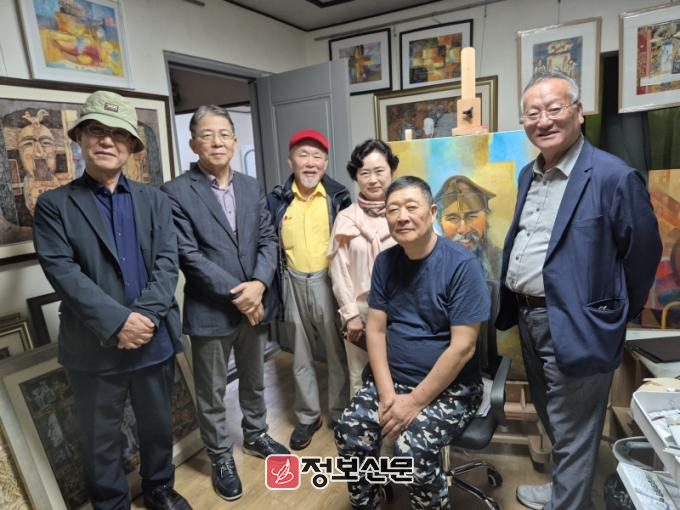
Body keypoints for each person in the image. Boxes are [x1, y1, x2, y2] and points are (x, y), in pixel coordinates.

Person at [496, 70, 662, 510]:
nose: (543, 120)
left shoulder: (613, 176)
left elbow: (643, 255)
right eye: (533, 113)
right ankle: (567, 493)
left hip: (580, 322)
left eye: (554, 109)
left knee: (573, 428)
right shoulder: (528, 175)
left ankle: (568, 502)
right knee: (554, 417)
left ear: (579, 112)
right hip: (530, 316)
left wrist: (611, 315)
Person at [32, 90, 190, 510]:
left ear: (131, 146)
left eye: (118, 134)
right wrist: (119, 322)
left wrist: (145, 318)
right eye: (96, 131)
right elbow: (63, 273)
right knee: (100, 438)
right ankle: (111, 503)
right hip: (93, 347)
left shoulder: (155, 200)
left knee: (157, 426)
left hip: (153, 340)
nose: (107, 140)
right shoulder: (54, 205)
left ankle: (159, 487)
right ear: (80, 139)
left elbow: (167, 263)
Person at [335, 176, 490, 510]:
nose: (402, 216)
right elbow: (376, 331)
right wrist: (388, 395)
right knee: (348, 429)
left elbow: (463, 347)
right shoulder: (386, 262)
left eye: (411, 207)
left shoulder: (461, 266)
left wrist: (414, 402)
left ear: (432, 213)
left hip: (451, 390)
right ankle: (366, 502)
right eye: (393, 209)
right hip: (393, 381)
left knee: (412, 450)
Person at [161, 105, 288, 502]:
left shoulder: (251, 186)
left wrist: (259, 285)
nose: (217, 142)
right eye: (207, 134)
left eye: (224, 134)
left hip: (255, 303)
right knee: (212, 392)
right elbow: (188, 255)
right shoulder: (175, 192)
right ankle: (219, 456)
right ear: (192, 143)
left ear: (234, 140)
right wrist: (243, 295)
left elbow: (268, 239)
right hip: (210, 311)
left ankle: (256, 434)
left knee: (254, 378)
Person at [267, 129, 351, 450]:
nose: (311, 163)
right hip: (291, 280)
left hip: (328, 281)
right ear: (291, 161)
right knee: (299, 354)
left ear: (326, 164)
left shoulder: (338, 196)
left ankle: (340, 412)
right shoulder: (277, 199)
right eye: (304, 155)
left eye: (317, 156)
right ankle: (308, 416)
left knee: (336, 352)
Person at [327, 139, 398, 397]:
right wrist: (351, 315)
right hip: (362, 309)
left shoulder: (403, 212)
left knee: (400, 372)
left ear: (391, 170)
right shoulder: (346, 218)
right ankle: (362, 422)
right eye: (364, 172)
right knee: (360, 377)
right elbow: (339, 272)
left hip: (402, 308)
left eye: (379, 171)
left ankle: (396, 421)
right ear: (356, 177)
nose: (373, 179)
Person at [434, 175, 500, 277]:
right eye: (453, 218)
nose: (463, 229)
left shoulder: (502, 261)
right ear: (440, 222)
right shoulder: (432, 264)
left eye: (472, 216)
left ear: (486, 218)